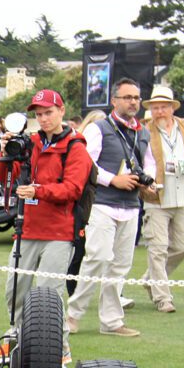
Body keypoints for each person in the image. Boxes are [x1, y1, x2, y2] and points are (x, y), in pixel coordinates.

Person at [0, 90, 92, 323]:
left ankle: (59, 350)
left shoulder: (76, 146)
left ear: (62, 111)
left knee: (49, 297)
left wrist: (38, 191)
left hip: (59, 232)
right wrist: (5, 153)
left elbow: (73, 189)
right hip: (27, 228)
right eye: (39, 114)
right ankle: (16, 341)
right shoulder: (31, 143)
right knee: (15, 292)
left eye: (48, 112)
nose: (43, 119)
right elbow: (6, 177)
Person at [66, 78, 148, 337]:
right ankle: (73, 315)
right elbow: (86, 164)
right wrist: (114, 179)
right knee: (98, 258)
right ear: (115, 101)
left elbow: (149, 163)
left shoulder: (143, 132)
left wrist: (149, 181)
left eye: (136, 97)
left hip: (132, 206)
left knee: (121, 265)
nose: (133, 102)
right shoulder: (99, 128)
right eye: (127, 97)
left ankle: (111, 322)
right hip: (103, 204)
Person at [139, 85, 184, 313]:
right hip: (156, 197)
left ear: (172, 108)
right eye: (155, 108)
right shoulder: (143, 131)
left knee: (182, 246)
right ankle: (163, 298)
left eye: (163, 107)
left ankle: (152, 279)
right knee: (157, 248)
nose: (159, 112)